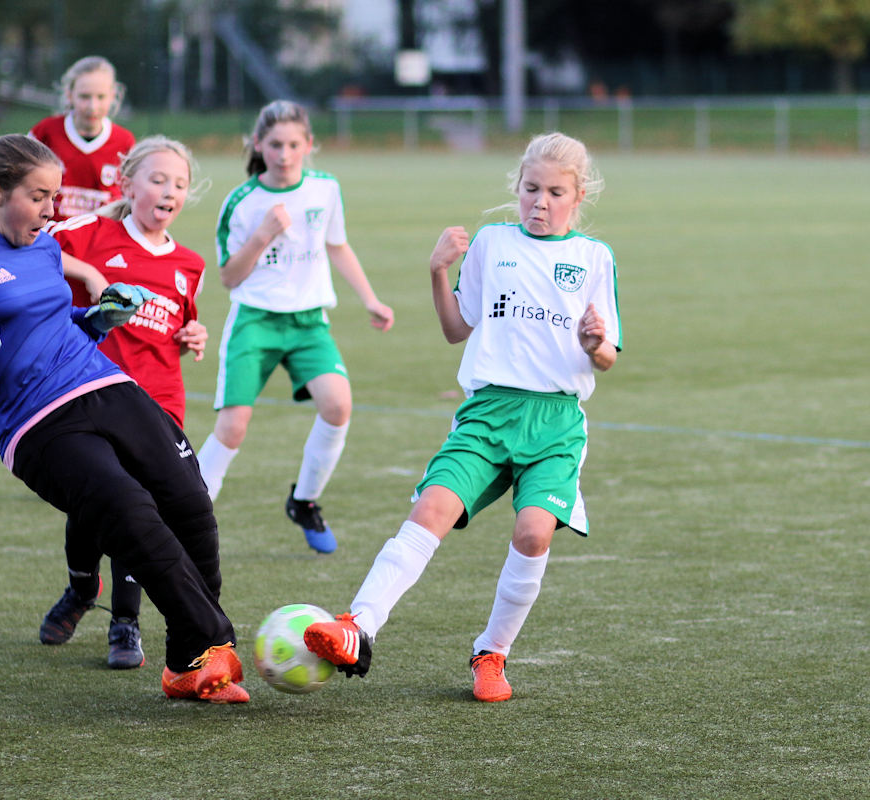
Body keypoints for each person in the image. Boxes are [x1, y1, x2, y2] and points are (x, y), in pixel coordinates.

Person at [0, 134, 248, 703]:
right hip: (36, 422)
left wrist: (97, 318)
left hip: (104, 384)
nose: (52, 210)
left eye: (54, 196)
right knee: (128, 509)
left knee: (190, 500)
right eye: (39, 196)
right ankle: (211, 648)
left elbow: (53, 320)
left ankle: (187, 662)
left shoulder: (44, 247)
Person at [303, 132, 622, 702]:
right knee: (432, 509)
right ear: (517, 189)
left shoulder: (594, 258)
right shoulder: (492, 244)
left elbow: (605, 355)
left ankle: (491, 653)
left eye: (554, 192)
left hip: (555, 423)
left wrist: (595, 342)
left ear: (579, 197)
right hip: (486, 411)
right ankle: (358, 626)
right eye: (530, 189)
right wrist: (435, 271)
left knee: (532, 533)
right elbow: (457, 330)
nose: (540, 202)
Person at [38, 135, 209, 670]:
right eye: (158, 179)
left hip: (158, 402)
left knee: (143, 508)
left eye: (179, 184)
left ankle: (125, 623)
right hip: (88, 397)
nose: (169, 191)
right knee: (97, 504)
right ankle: (83, 587)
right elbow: (33, 252)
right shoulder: (88, 235)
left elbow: (181, 320)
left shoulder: (188, 262)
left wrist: (192, 334)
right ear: (127, 184)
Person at [195, 99, 394, 554]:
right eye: (275, 145)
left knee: (338, 406)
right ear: (258, 145)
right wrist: (263, 234)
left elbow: (337, 246)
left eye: (293, 145)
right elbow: (228, 277)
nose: (284, 154)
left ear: (308, 145)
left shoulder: (325, 189)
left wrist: (371, 299)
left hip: (308, 324)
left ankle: (303, 501)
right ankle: (191, 514)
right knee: (233, 428)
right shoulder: (242, 203)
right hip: (256, 323)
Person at [30, 55, 135, 222]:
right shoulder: (45, 133)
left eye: (101, 97)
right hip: (52, 238)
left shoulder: (125, 142)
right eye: (85, 97)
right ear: (70, 95)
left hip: (102, 241)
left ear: (113, 96)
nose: (93, 107)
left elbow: (132, 199)